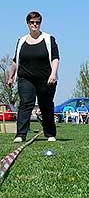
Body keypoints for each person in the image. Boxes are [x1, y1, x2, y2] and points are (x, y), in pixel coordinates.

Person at [7, 11, 59, 142]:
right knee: (25, 103)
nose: (34, 25)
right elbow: (16, 60)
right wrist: (11, 76)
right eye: (32, 22)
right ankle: (20, 134)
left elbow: (55, 58)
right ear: (28, 24)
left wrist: (53, 74)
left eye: (37, 22)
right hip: (26, 78)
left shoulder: (48, 39)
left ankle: (50, 133)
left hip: (46, 78)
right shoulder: (21, 41)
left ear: (40, 23)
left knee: (46, 105)